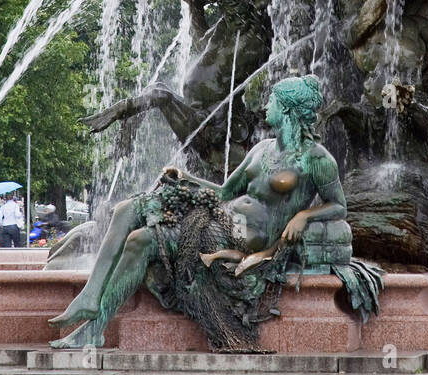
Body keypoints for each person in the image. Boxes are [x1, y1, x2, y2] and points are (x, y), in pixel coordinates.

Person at [48, 75, 349, 348]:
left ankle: (94, 322)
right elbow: (225, 193)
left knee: (142, 240)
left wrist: (304, 215)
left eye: (272, 100)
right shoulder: (262, 149)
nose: (265, 105)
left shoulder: (317, 159)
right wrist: (185, 179)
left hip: (246, 235)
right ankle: (92, 305)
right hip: (222, 214)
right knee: (128, 209)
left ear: (287, 110)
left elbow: (339, 205)